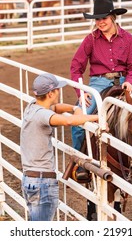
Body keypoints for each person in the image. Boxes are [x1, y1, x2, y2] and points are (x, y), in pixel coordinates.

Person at [70, 0, 132, 152]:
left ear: (112, 17)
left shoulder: (127, 38)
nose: (100, 22)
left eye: (104, 18)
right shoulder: (90, 40)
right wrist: (81, 91)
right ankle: (79, 161)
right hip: (98, 83)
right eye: (97, 19)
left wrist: (130, 81)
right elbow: (76, 67)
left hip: (124, 82)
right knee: (79, 122)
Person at [20, 73, 98, 221]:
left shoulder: (32, 106)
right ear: (50, 93)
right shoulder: (43, 115)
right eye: (57, 89)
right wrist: (97, 118)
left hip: (30, 179)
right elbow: (67, 122)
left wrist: (74, 107)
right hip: (42, 181)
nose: (59, 91)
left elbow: (55, 107)